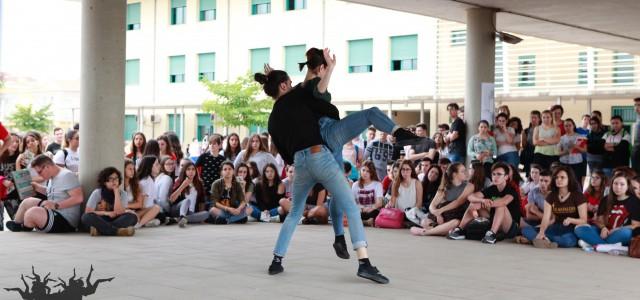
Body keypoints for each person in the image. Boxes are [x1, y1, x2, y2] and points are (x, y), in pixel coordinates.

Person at [258, 61, 388, 283]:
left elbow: (286, 155)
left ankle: (276, 261)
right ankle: (364, 263)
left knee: (294, 213)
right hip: (319, 155)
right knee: (351, 207)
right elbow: (310, 77)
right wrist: (325, 64)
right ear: (282, 86)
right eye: (288, 82)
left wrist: (274, 77)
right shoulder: (295, 96)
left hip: (299, 164)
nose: (291, 84)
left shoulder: (272, 122)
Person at [6, 155, 83, 233]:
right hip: (54, 212)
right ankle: (17, 224)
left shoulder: (67, 175)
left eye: (39, 172)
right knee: (27, 202)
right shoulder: (52, 176)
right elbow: (54, 193)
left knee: (32, 212)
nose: (39, 175)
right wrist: (37, 187)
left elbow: (78, 198)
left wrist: (56, 205)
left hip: (66, 220)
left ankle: (25, 226)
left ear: (47, 167)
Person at [448, 162, 521, 244]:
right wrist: (482, 201)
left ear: (506, 177)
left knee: (501, 206)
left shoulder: (511, 190)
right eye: (493, 174)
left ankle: (492, 234)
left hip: (510, 227)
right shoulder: (492, 188)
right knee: (473, 204)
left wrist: (486, 203)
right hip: (495, 220)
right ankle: (460, 229)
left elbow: (504, 201)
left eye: (499, 174)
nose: (495, 177)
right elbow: (470, 197)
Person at [521, 166, 587, 248]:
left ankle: (544, 240)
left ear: (569, 179)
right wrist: (541, 232)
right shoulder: (551, 196)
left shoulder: (578, 195)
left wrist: (571, 220)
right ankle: (546, 240)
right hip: (555, 227)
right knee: (526, 230)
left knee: (567, 241)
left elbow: (584, 220)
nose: (559, 180)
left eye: (562, 177)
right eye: (557, 178)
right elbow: (546, 218)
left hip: (571, 229)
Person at [575, 174, 640, 253]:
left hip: (619, 233)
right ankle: (607, 246)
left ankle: (596, 244)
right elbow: (599, 221)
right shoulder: (606, 199)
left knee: (627, 233)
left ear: (627, 186)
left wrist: (617, 229)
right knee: (579, 228)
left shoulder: (634, 201)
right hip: (603, 232)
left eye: (622, 184)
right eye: (615, 183)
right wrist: (603, 228)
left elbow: (635, 225)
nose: (618, 187)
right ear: (611, 184)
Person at [411, 163, 474, 236]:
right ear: (454, 174)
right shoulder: (444, 187)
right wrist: (438, 214)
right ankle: (441, 230)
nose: (466, 173)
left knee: (456, 223)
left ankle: (427, 232)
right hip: (443, 216)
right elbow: (432, 205)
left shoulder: (469, 186)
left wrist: (440, 210)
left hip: (456, 216)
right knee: (424, 221)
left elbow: (458, 202)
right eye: (463, 171)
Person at [81, 167, 137, 236]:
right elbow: (88, 212)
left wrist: (116, 192)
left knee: (132, 217)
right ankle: (117, 231)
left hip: (116, 219)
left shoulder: (123, 194)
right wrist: (106, 213)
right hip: (101, 219)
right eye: (111, 178)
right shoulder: (97, 192)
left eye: (116, 178)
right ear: (105, 182)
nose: (114, 181)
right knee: (86, 217)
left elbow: (118, 212)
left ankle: (101, 230)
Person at [169, 160, 210, 227]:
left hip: (191, 212)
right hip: (178, 209)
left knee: (206, 214)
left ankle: (178, 220)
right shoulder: (179, 181)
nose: (191, 171)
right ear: (184, 171)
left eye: (193, 169)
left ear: (196, 171)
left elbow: (201, 201)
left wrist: (201, 217)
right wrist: (183, 185)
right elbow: (171, 199)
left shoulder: (199, 183)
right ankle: (182, 217)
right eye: (188, 169)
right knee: (186, 201)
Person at [130, 155, 162, 228]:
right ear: (150, 166)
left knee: (159, 213)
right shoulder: (146, 181)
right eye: (157, 164)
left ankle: (146, 221)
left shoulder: (148, 179)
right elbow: (144, 205)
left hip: (142, 210)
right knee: (157, 208)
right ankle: (139, 224)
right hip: (139, 211)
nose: (159, 166)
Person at [387, 160, 423, 224]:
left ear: (411, 170)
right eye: (403, 169)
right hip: (399, 214)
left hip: (412, 214)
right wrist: (388, 205)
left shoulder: (417, 183)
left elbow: (419, 203)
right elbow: (393, 201)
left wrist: (411, 213)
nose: (405, 172)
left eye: (407, 169)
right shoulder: (395, 183)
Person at [352, 161, 384, 227]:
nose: (365, 173)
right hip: (360, 211)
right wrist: (360, 208)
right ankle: (366, 222)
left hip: (372, 210)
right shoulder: (355, 185)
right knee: (353, 214)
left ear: (372, 173)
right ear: (360, 170)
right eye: (363, 170)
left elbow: (379, 203)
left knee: (377, 213)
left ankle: (362, 222)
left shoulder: (377, 184)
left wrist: (371, 208)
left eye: (368, 171)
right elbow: (352, 202)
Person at [558, 118, 587, 189]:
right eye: (566, 126)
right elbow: (558, 153)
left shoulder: (581, 137)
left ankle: (578, 198)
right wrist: (567, 151)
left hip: (577, 163)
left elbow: (584, 150)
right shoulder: (561, 138)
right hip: (564, 163)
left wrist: (575, 146)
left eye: (569, 125)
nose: (567, 127)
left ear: (573, 126)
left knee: (577, 182)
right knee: (564, 182)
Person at [521, 111, 541, 175]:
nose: (533, 119)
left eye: (535, 118)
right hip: (529, 154)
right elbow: (524, 145)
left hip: (540, 154)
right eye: (532, 118)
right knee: (529, 174)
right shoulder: (526, 131)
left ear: (539, 119)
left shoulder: (543, 129)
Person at [632, 97, 640, 174]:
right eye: (635, 105)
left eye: (639, 105)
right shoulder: (638, 118)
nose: (636, 107)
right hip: (636, 151)